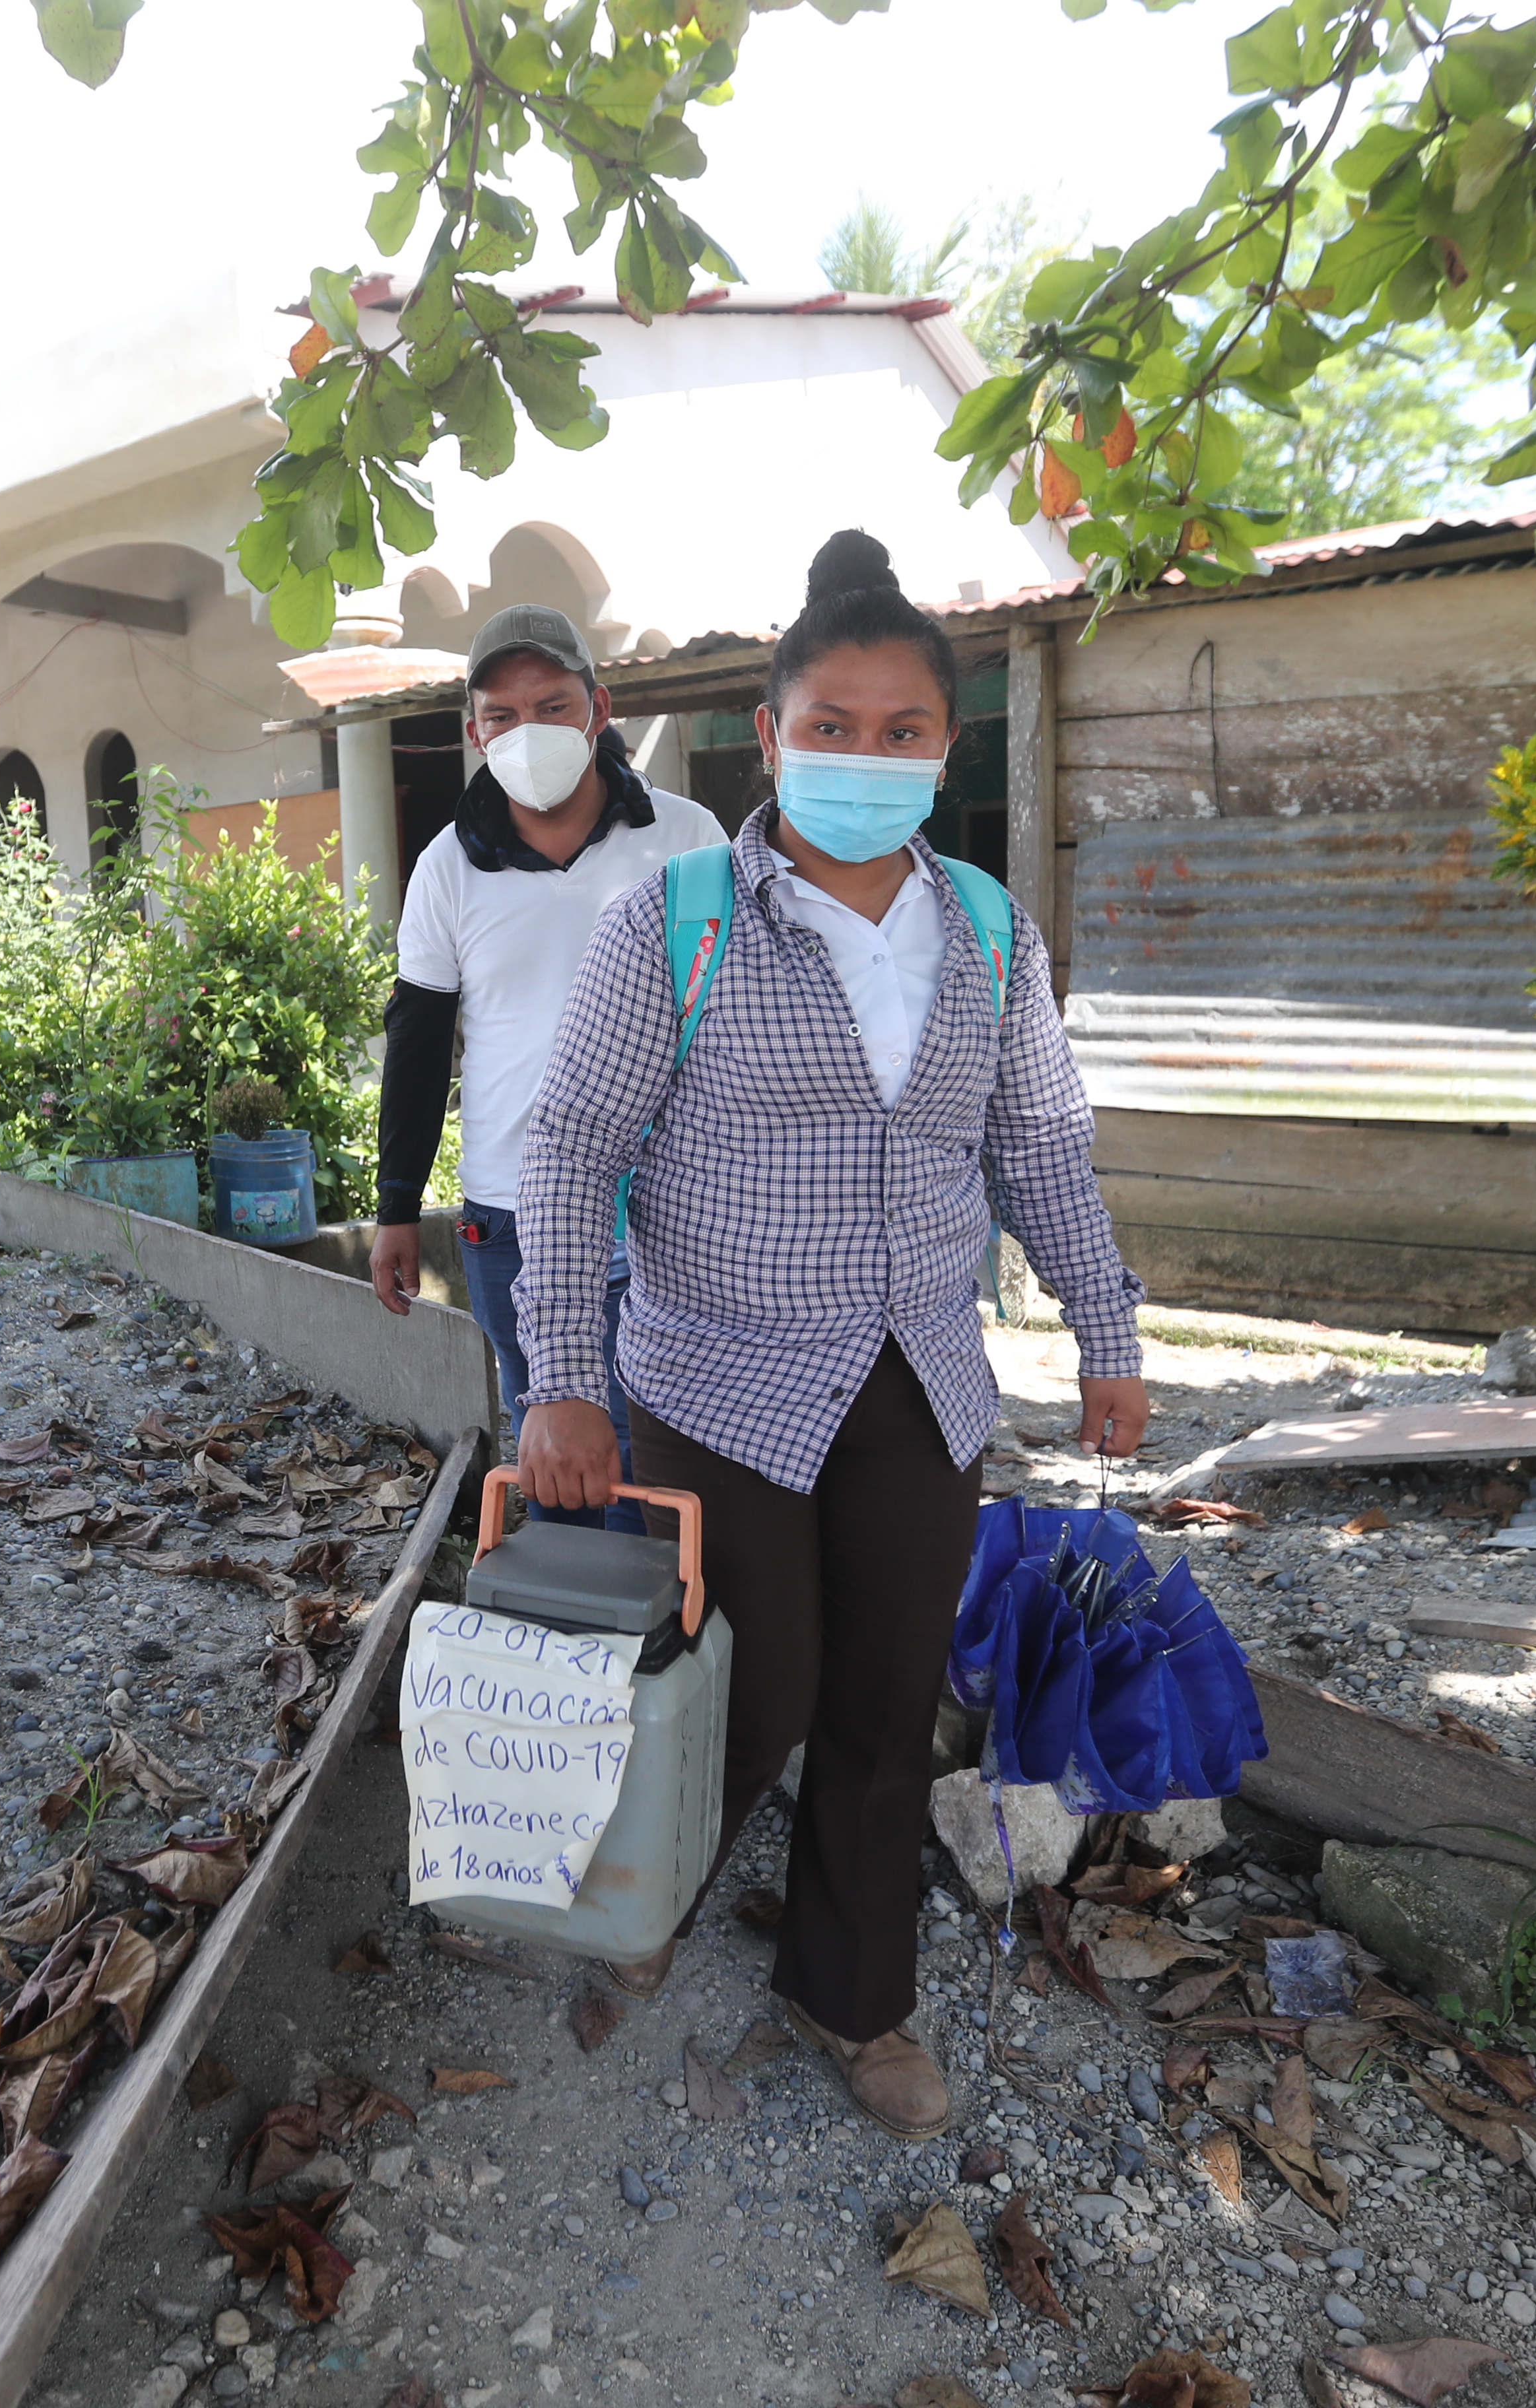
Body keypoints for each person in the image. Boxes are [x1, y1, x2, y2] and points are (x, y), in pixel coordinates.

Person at [507, 530, 1147, 2135]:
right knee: (755, 1678)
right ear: (770, 737)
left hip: (919, 1371)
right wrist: (566, 1380)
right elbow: (571, 1147)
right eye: (833, 727)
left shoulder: (990, 931)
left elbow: (1040, 1146)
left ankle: (847, 1996)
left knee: (879, 1696)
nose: (868, 757)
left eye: (903, 730)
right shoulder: (681, 920)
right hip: (718, 1365)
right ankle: (639, 1888)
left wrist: (1106, 1326)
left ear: (950, 743)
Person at [369, 602, 726, 1527]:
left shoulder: (689, 842)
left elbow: (735, 1023)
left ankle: (664, 1650)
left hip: (668, 1204)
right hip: (512, 1208)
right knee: (554, 1451)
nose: (530, 732)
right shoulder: (448, 866)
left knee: (661, 1452)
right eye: (503, 715)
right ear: (473, 732)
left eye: (554, 706)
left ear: (599, 708)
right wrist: (398, 1205)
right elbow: (419, 1037)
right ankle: (573, 1649)